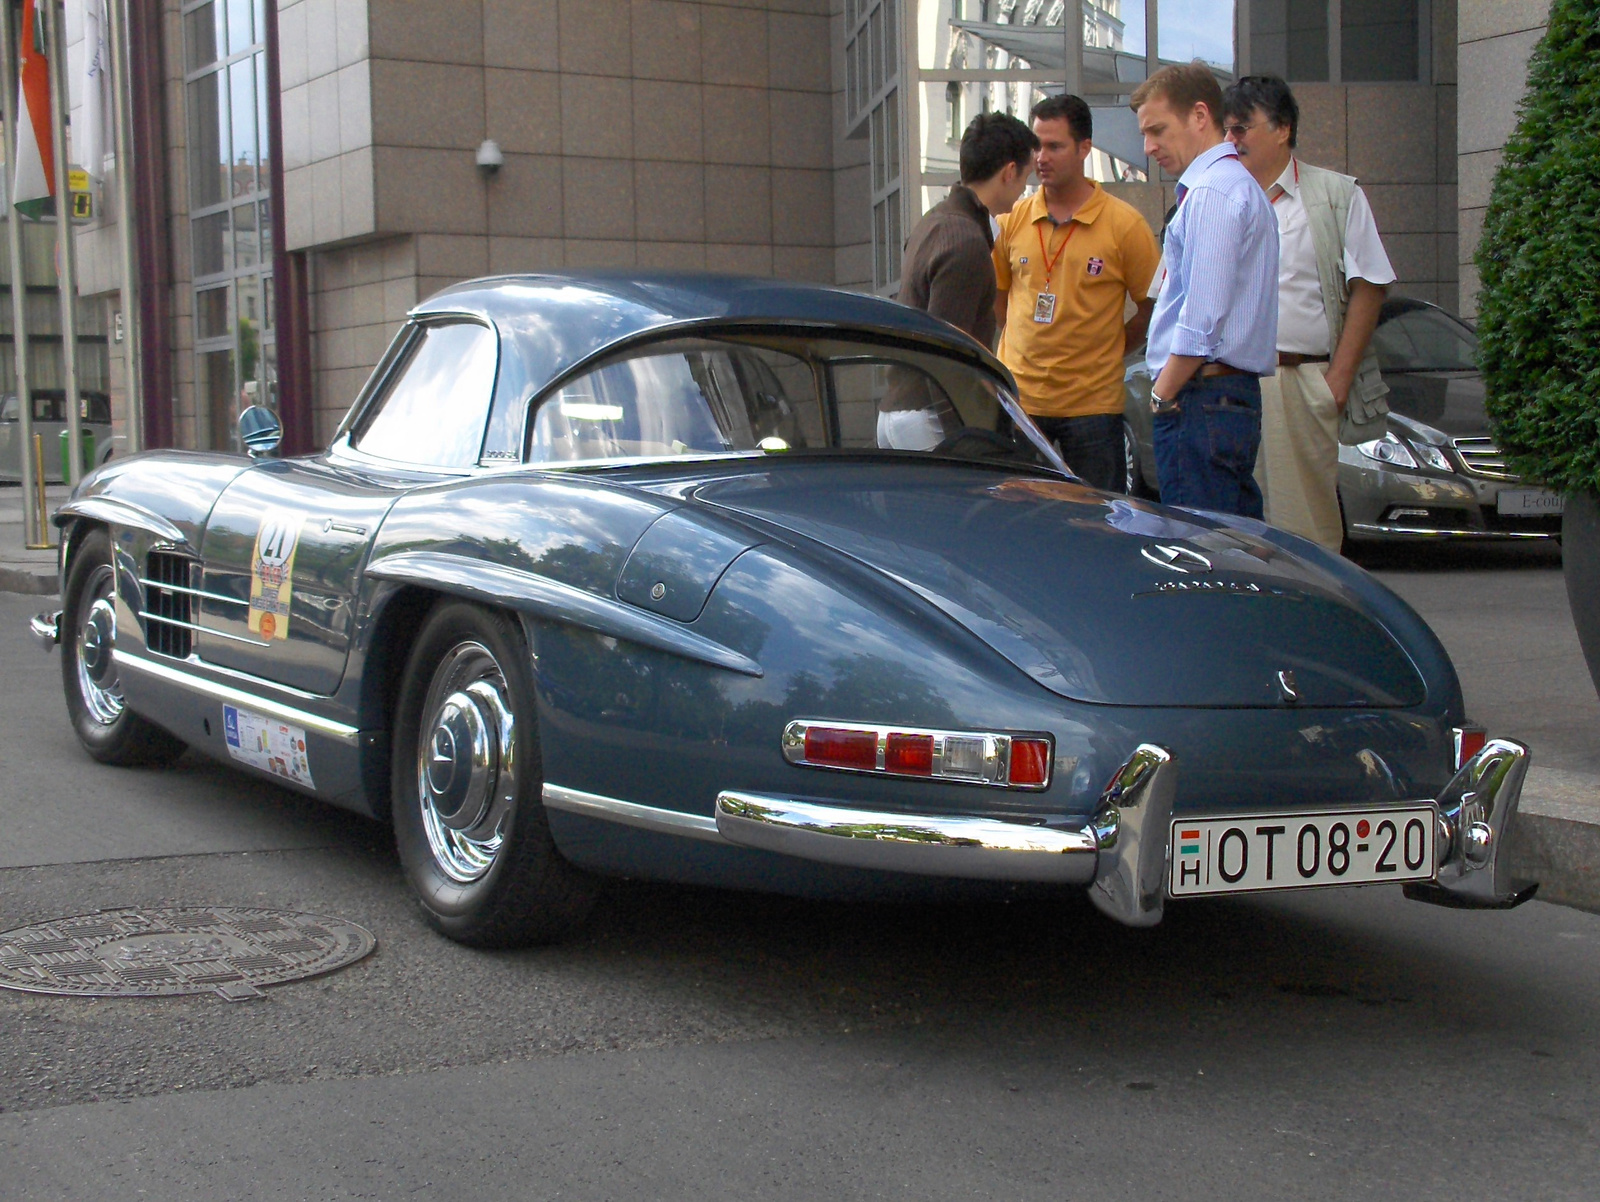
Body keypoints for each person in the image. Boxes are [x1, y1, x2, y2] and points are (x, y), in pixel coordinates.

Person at [1223, 75, 1396, 551]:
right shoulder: (1217, 196)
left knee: (1306, 531)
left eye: (1242, 128)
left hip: (1298, 381)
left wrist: (1336, 380)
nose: (1232, 140)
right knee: (1235, 530)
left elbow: (1371, 285)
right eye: (1227, 130)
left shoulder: (1334, 195)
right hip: (1226, 379)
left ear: (1282, 129)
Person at [992, 94, 1160, 492]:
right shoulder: (1013, 220)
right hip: (1021, 404)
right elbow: (999, 298)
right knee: (1017, 523)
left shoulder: (1124, 225)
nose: (1041, 157)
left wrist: (1110, 348)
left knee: (1097, 525)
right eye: (1037, 145)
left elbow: (1153, 306)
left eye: (1055, 146)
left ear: (1085, 148)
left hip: (1093, 409)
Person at [1134, 63, 1279, 517]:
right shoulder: (1237, 186)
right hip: (1219, 395)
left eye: (1157, 130)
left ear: (1200, 115)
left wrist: (1163, 394)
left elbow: (1201, 318)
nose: (1148, 147)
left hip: (1201, 398)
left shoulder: (1213, 192)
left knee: (1200, 555)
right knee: (1228, 554)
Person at [887, 112, 1037, 450]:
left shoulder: (937, 221)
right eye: (1025, 180)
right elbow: (945, 353)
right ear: (1009, 172)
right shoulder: (965, 239)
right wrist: (967, 439)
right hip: (927, 418)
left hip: (906, 409)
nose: (1022, 193)